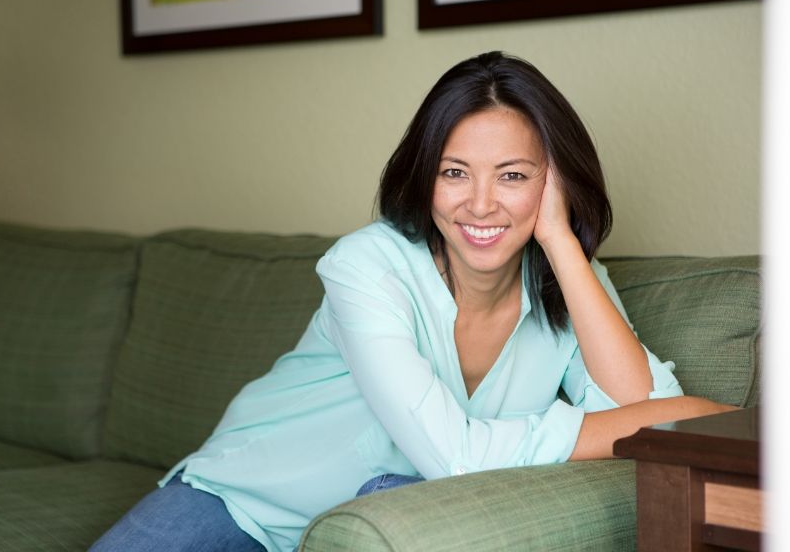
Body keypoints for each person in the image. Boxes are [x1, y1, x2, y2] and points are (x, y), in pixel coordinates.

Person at [91, 51, 735, 552]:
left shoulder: (568, 276)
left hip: (383, 517)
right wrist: (673, 414)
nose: (480, 204)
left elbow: (640, 408)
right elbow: (455, 456)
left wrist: (561, 241)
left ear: (555, 180)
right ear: (424, 176)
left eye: (513, 175)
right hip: (249, 499)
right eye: (455, 172)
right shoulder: (365, 266)